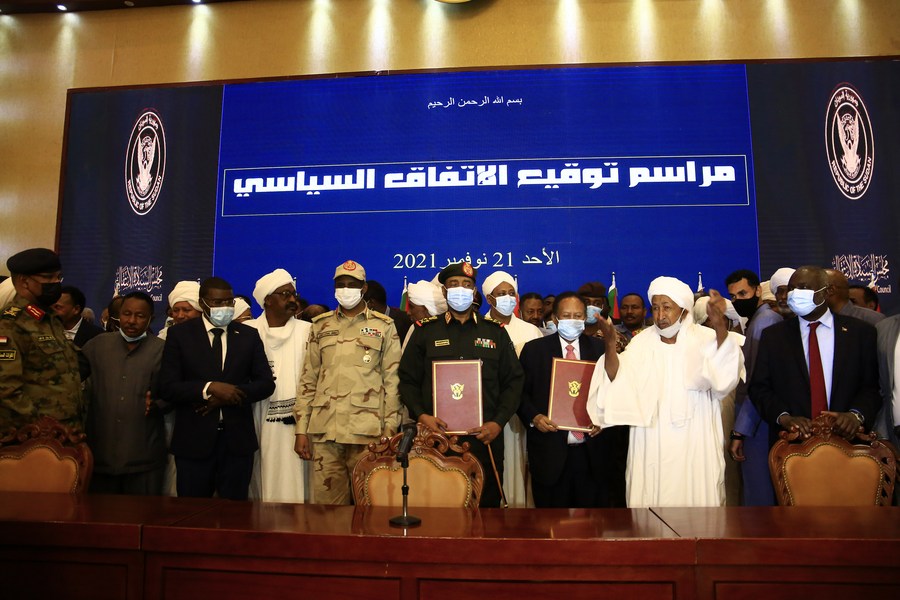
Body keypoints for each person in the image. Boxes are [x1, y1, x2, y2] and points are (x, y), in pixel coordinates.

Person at [588, 277, 745, 507]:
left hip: (696, 435)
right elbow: (616, 379)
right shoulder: (641, 343)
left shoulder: (705, 338)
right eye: (655, 308)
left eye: (667, 307)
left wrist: (720, 326)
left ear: (684, 310)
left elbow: (724, 379)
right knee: (652, 497)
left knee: (697, 497)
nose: (660, 315)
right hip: (651, 436)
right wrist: (610, 345)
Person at [398, 261, 524, 508]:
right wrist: (421, 415)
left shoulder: (495, 332)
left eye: (466, 285)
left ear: (474, 291)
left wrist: (498, 422)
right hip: (436, 438)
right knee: (439, 506)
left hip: (484, 437)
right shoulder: (425, 331)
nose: (461, 290)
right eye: (454, 284)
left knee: (486, 505)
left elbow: (514, 381)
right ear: (444, 291)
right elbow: (407, 380)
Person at [293, 260, 402, 505]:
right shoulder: (320, 325)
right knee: (328, 509)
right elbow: (308, 379)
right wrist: (301, 429)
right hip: (326, 432)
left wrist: (390, 430)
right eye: (340, 284)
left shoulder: (383, 326)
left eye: (352, 285)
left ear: (364, 288)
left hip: (369, 433)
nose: (345, 289)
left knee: (371, 505)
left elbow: (393, 381)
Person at [159, 276, 275, 500]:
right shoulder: (180, 335)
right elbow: (168, 387)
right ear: (202, 303)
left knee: (235, 512)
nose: (225, 307)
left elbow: (265, 383)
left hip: (237, 442)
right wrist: (209, 388)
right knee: (192, 512)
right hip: (193, 442)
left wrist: (231, 395)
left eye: (229, 302)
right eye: (218, 302)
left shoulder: (248, 336)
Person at [749, 266, 881, 445]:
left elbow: (872, 387)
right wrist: (784, 418)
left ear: (826, 292)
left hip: (849, 442)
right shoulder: (773, 336)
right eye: (791, 289)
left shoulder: (860, 333)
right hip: (793, 444)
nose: (794, 294)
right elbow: (759, 388)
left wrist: (855, 415)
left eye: (803, 288)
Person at [519, 291, 625, 507]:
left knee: (592, 520)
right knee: (550, 521)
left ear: (585, 317)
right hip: (549, 453)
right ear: (555, 318)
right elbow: (520, 394)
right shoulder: (534, 350)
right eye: (567, 316)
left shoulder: (599, 349)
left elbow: (614, 390)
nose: (573, 320)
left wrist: (602, 419)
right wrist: (535, 417)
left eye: (578, 316)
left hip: (592, 454)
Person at [80, 291, 167, 495]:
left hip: (144, 456)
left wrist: (158, 404)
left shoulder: (163, 350)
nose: (132, 321)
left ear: (151, 319)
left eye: (140, 316)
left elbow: (175, 391)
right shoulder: (97, 346)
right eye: (127, 314)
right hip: (100, 454)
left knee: (142, 512)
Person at [0, 248, 83, 433]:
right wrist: (40, 430)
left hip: (66, 432)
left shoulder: (49, 318)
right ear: (25, 281)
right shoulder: (10, 323)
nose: (56, 283)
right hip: (36, 436)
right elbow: (6, 390)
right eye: (48, 277)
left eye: (58, 277)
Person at [247, 268, 311, 503]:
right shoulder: (248, 332)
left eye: (293, 294)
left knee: (298, 481)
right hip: (257, 417)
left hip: (298, 424)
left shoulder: (309, 331)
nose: (292, 299)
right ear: (267, 300)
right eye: (285, 294)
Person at [482, 271, 542, 508]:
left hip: (524, 412)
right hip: (492, 412)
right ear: (489, 298)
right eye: (501, 294)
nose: (507, 298)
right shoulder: (479, 328)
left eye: (511, 293)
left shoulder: (530, 331)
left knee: (523, 462)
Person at [724, 269, 782, 506]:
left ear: (758, 291)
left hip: (758, 421)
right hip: (754, 417)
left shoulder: (765, 321)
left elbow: (757, 381)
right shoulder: (758, 320)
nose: (738, 300)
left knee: (760, 491)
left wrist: (740, 431)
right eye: (733, 296)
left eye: (743, 293)